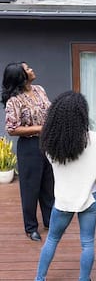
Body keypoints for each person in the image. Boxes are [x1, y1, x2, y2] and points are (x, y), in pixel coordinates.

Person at [35, 91, 96, 281]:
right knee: (88, 243)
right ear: (82, 114)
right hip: (90, 198)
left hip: (63, 201)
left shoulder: (51, 144)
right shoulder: (95, 140)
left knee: (52, 239)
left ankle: (39, 278)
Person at [1, 62, 54, 241]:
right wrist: (40, 128)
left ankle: (50, 221)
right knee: (30, 189)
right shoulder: (14, 100)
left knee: (49, 184)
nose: (32, 69)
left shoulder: (40, 89)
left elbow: (50, 111)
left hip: (47, 143)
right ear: (21, 76)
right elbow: (12, 129)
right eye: (27, 68)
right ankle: (31, 227)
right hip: (29, 147)